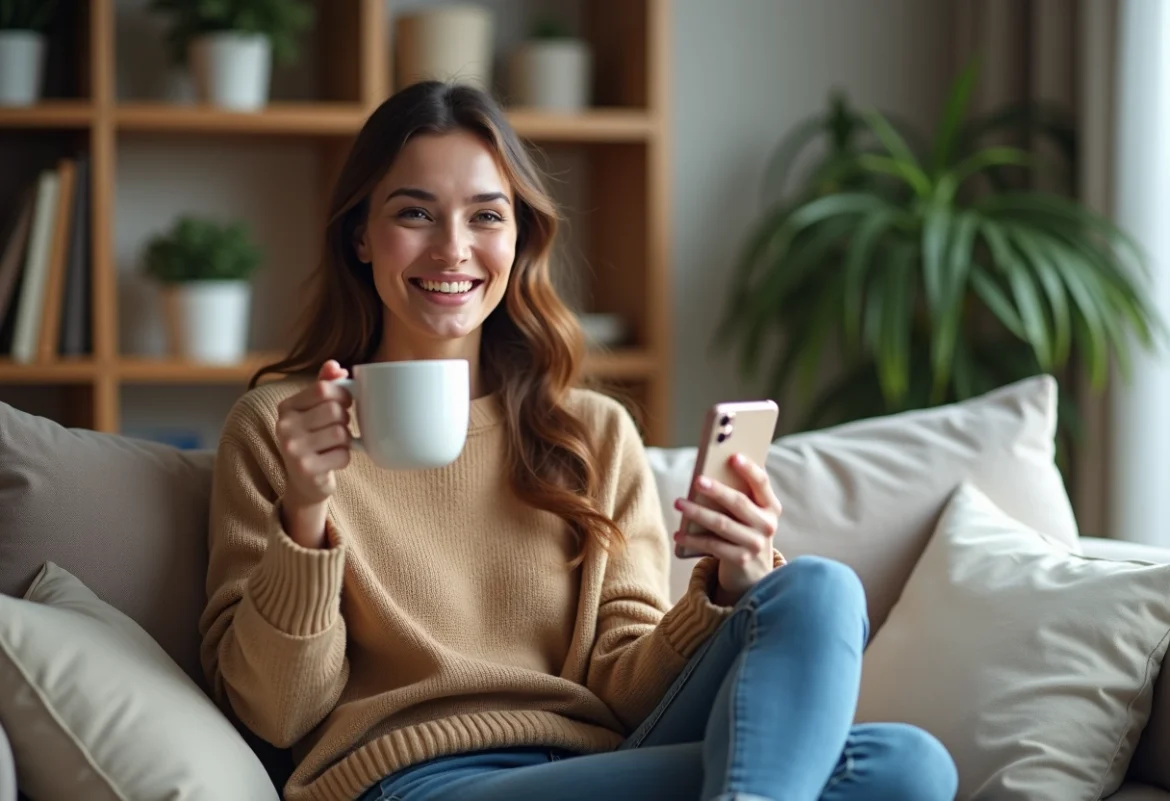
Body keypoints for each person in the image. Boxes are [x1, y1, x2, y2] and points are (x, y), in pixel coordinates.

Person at [199, 80, 958, 801]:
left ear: (519, 237)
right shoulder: (284, 428)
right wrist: (305, 514)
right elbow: (278, 713)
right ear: (361, 236)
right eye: (415, 213)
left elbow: (627, 690)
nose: (453, 248)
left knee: (873, 693)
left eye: (486, 216)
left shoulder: (591, 431)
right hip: (416, 781)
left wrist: (731, 586)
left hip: (595, 767)